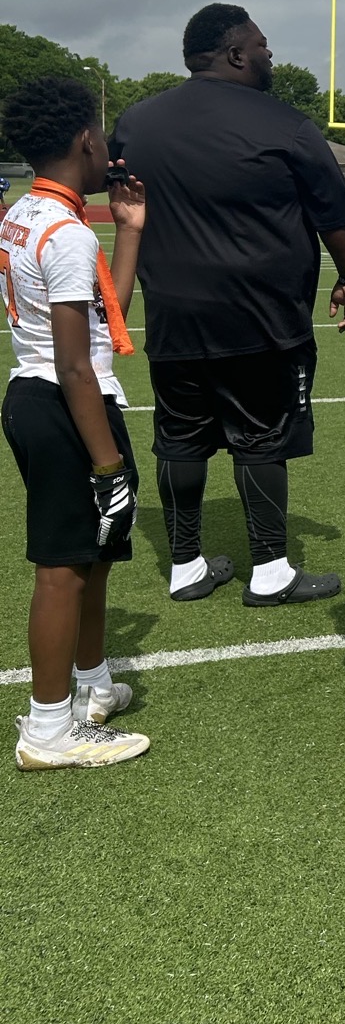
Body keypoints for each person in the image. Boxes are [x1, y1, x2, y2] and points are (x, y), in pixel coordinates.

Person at [110, 3, 345, 607]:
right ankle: (270, 570)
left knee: (180, 436)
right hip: (261, 314)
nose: (270, 54)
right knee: (261, 437)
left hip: (174, 313)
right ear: (235, 53)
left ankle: (185, 564)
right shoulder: (285, 124)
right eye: (263, 44)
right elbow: (333, 214)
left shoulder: (137, 121)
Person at [1, 77, 151, 768]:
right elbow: (74, 366)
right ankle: (48, 730)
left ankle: (90, 686)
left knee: (93, 556)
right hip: (65, 405)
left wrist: (128, 233)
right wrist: (108, 464)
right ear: (85, 142)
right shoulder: (60, 232)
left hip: (43, 397)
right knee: (64, 568)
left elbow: (102, 314)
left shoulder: (26, 211)